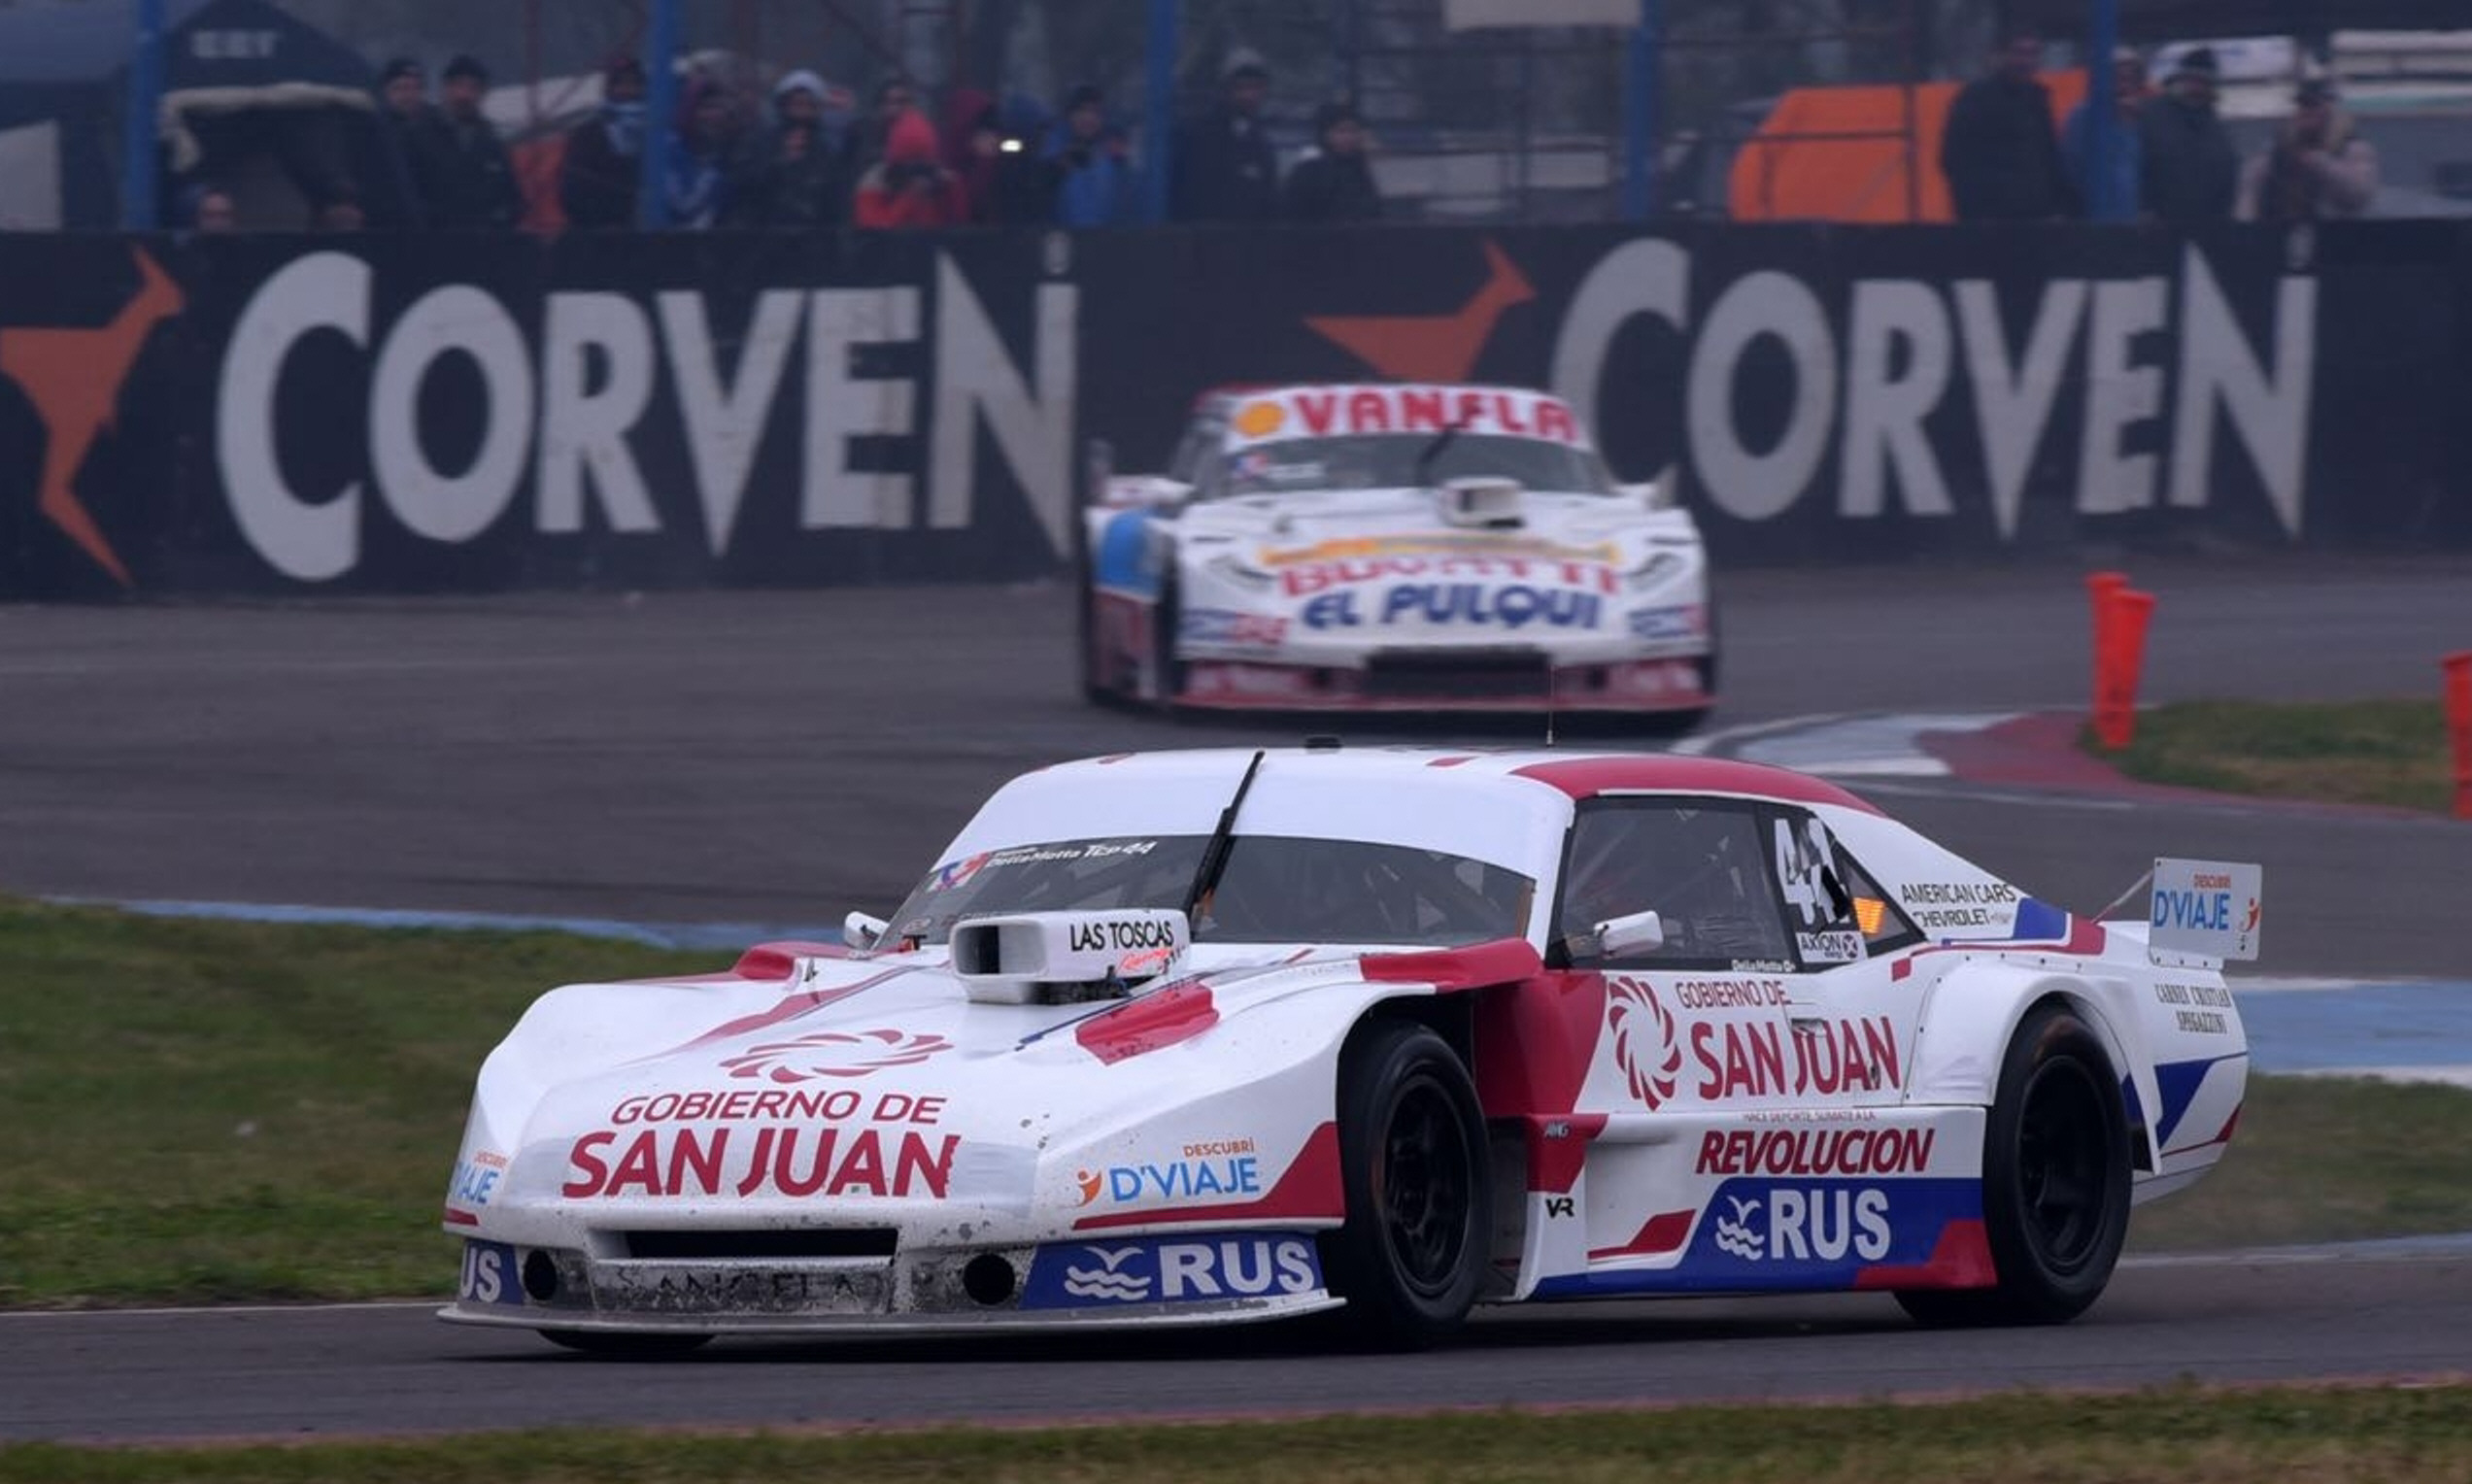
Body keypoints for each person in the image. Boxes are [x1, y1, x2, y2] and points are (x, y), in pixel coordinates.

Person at [1938, 29, 2079, 221]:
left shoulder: (2038, 99)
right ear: (2001, 56)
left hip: (2037, 215)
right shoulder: (1976, 98)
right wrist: (1976, 212)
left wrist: (2060, 205)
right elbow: (1954, 157)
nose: (2026, 61)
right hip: (1991, 219)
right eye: (2019, 53)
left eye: (2033, 53)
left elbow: (2048, 155)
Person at [2239, 80, 2379, 222]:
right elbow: (2250, 187)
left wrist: (2321, 163)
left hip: (2335, 229)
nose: (2305, 111)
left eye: (2313, 105)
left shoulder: (2353, 148)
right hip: (2281, 228)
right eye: (2302, 105)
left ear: (2330, 109)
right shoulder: (2279, 147)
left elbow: (2359, 195)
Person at [1172, 50, 1277, 223]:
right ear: (1225, 90)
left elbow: (1267, 201)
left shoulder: (1260, 143)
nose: (1248, 95)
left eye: (1255, 88)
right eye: (1240, 87)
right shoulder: (1198, 135)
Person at [2138, 47, 2239, 226]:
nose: (2197, 88)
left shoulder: (2217, 130)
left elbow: (2227, 178)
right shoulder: (2150, 116)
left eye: (2204, 82)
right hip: (2154, 227)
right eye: (2193, 80)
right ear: (2180, 80)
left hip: (2204, 228)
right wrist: (2144, 210)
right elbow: (2133, 167)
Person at [419, 54, 523, 229]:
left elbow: (512, 197)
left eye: (473, 88)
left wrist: (499, 221)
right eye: (458, 86)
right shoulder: (419, 135)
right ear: (445, 89)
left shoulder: (491, 141)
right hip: (436, 238)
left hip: (485, 239)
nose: (464, 95)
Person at [731, 70, 842, 227]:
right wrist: (782, 162)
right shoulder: (761, 143)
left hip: (810, 235)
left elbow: (832, 198)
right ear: (784, 106)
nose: (802, 111)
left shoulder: (826, 151)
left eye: (808, 105)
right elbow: (747, 188)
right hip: (763, 231)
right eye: (796, 104)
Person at [560, 54, 648, 229]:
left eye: (635, 84)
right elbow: (573, 189)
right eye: (621, 84)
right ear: (610, 88)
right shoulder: (589, 133)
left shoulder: (657, 132)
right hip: (602, 232)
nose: (628, 90)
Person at [2062, 48, 2148, 219]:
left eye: (2130, 79)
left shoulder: (2144, 118)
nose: (2124, 86)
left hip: (2133, 217)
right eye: (2118, 78)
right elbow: (2072, 167)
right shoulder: (2084, 115)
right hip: (2093, 215)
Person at [851, 108, 969, 227]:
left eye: (921, 163)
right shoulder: (876, 181)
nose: (914, 172)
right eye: (908, 163)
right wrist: (907, 199)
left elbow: (959, 226)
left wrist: (952, 191)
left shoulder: (939, 180)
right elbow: (871, 228)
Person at [1044, 84, 1135, 228]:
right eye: (1081, 110)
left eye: (1095, 112)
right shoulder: (1052, 153)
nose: (1088, 118)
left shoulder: (1114, 156)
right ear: (1069, 115)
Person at [1283, 100, 1381, 221]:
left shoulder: (1360, 168)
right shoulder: (1308, 171)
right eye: (1341, 131)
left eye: (1354, 131)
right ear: (1326, 134)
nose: (1349, 137)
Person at [663, 78, 739, 228]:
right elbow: (682, 206)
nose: (713, 115)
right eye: (706, 107)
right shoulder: (668, 151)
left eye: (718, 107)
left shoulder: (730, 156)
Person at [373, 56, 433, 229]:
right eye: (401, 88)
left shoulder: (435, 131)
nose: (409, 96)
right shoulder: (374, 133)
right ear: (385, 92)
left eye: (415, 88)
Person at [843, 76, 920, 182]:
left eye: (901, 102)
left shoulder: (919, 140)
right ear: (880, 105)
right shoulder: (860, 133)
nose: (895, 108)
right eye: (889, 102)